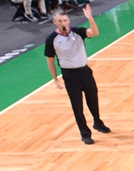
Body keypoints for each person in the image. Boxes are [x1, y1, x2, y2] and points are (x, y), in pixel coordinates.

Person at [44, 6, 110, 145]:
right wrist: (55, 79)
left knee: (93, 98)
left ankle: (98, 122)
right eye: (60, 21)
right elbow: (50, 60)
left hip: (84, 71)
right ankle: (85, 133)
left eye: (65, 20)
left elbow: (94, 32)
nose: (63, 23)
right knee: (77, 104)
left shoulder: (77, 32)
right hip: (69, 74)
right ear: (55, 22)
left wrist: (90, 18)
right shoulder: (52, 39)